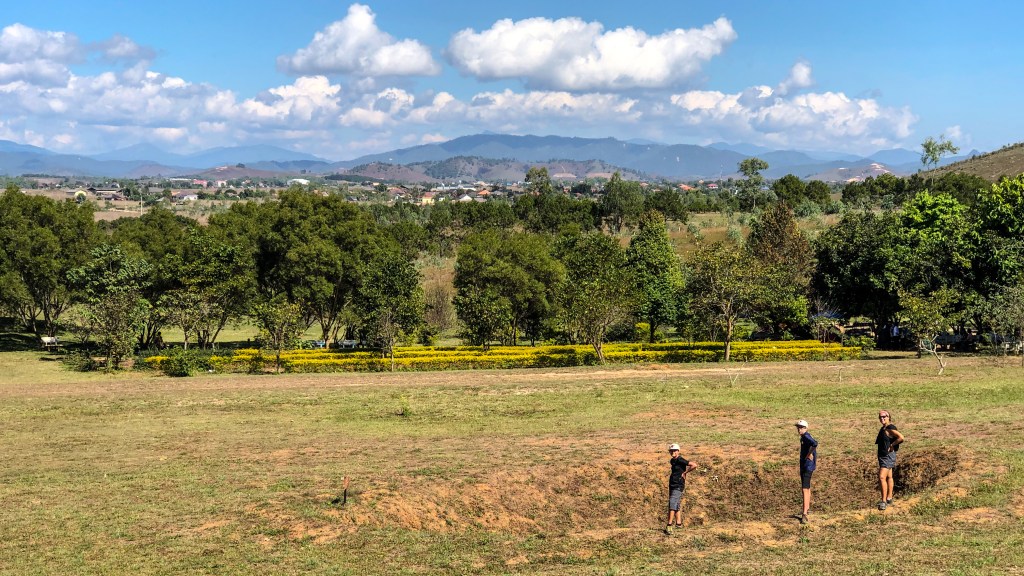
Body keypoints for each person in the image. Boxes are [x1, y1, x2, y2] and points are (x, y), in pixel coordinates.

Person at [665, 443, 697, 535]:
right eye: (671, 451)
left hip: (678, 485)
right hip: (672, 484)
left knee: (672, 504)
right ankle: (678, 524)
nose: (672, 452)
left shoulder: (680, 459)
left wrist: (685, 472)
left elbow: (694, 465)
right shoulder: (672, 460)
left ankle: (669, 525)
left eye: (674, 450)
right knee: (676, 503)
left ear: (678, 451)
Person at [875, 410, 904, 510]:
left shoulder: (889, 428)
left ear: (889, 417)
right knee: (889, 477)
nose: (882, 418)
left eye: (884, 416)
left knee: (882, 477)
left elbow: (901, 437)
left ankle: (883, 501)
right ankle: (889, 498)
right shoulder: (884, 428)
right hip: (884, 456)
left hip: (887, 456)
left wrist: (892, 445)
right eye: (880, 417)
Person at [795, 419, 817, 524]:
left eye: (801, 428)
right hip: (806, 465)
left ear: (805, 428)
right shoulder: (804, 437)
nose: (799, 429)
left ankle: (804, 514)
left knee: (804, 489)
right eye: (798, 427)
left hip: (807, 466)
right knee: (807, 488)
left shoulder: (806, 436)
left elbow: (815, 443)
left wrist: (809, 454)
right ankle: (807, 508)